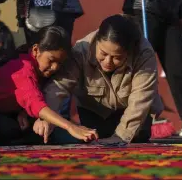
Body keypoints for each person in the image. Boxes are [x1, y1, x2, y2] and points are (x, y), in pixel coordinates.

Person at [0, 26, 98, 146]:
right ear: (36, 51)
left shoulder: (41, 71)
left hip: (1, 110)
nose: (55, 67)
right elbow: (36, 103)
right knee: (9, 129)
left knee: (33, 130)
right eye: (51, 60)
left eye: (59, 63)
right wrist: (71, 126)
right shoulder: (23, 69)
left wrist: (22, 112)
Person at [42, 15, 163, 144]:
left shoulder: (143, 54)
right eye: (103, 53)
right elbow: (59, 86)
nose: (108, 62)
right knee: (95, 142)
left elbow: (141, 98)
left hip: (132, 111)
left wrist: (121, 136)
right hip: (95, 111)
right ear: (97, 41)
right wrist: (47, 117)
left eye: (116, 57)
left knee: (135, 141)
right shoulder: (81, 50)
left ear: (130, 52)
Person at [122, 0, 182, 137]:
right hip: (145, 10)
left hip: (172, 15)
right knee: (141, 65)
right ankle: (133, 116)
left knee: (177, 69)